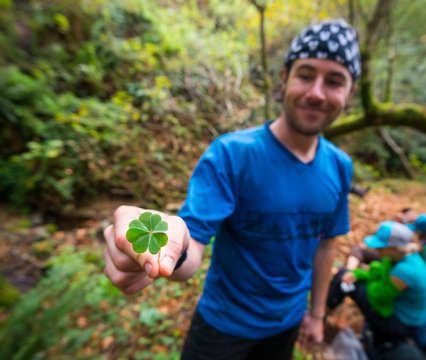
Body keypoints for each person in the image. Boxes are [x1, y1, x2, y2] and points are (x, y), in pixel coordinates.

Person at [103, 19, 361, 360]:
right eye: (305, 74)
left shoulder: (340, 166)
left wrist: (316, 314)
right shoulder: (232, 154)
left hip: (286, 324)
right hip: (222, 328)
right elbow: (191, 244)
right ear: (284, 79)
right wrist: (169, 247)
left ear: (349, 94)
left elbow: (327, 245)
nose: (316, 92)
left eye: (333, 81)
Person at [326, 221, 426, 360]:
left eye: (382, 247)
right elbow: (378, 271)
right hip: (400, 313)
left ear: (395, 248)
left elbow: (377, 297)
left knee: (343, 279)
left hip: (399, 324)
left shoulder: (405, 271)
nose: (378, 251)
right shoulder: (400, 258)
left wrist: (362, 277)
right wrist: (358, 274)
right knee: (347, 275)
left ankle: (321, 312)